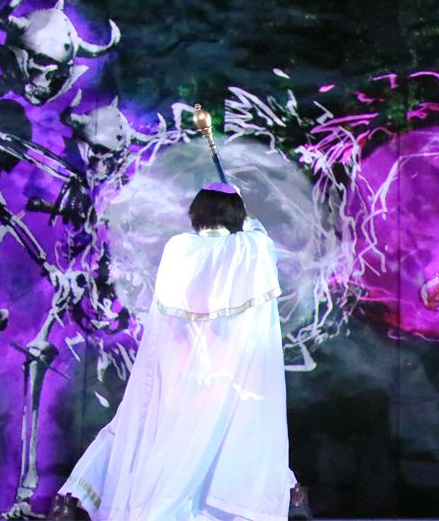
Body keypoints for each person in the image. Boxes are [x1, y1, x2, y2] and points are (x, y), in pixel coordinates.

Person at [50, 182, 296, 521]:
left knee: (149, 430)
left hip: (178, 373)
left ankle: (73, 499)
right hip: (227, 377)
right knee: (219, 438)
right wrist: (248, 219)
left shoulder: (179, 248)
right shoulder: (251, 249)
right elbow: (259, 240)